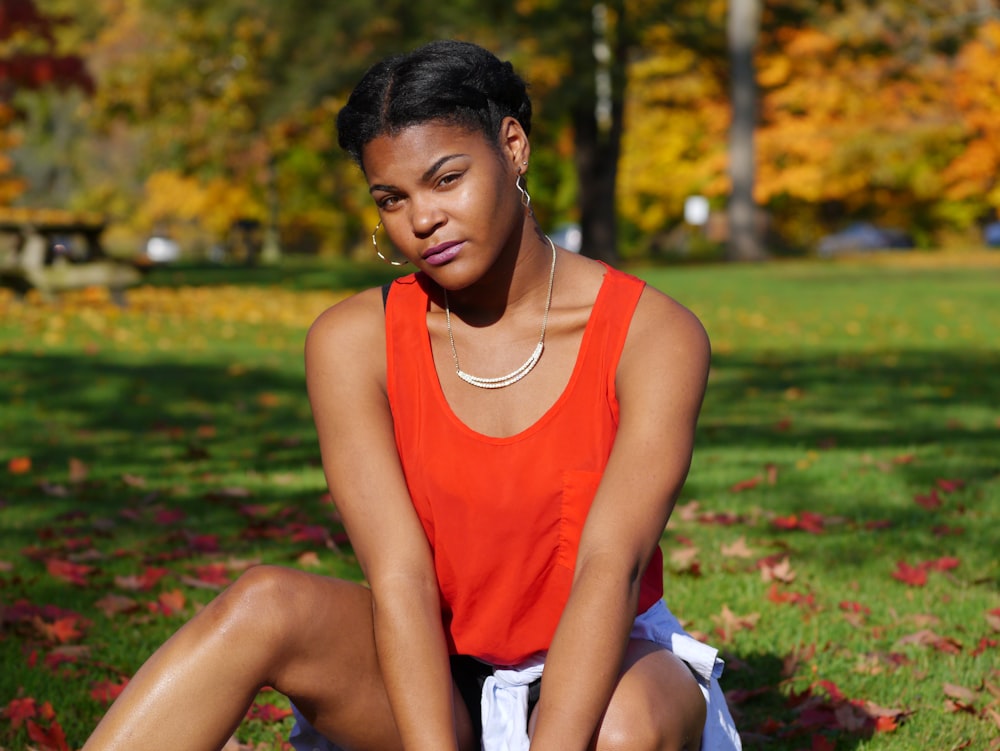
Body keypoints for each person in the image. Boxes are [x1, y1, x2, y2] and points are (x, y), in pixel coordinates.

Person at [82, 40, 741, 751]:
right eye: (391, 200)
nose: (421, 220)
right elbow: (397, 576)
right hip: (429, 668)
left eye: (446, 179)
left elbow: (608, 567)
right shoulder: (352, 343)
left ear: (513, 147)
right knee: (264, 603)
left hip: (607, 669)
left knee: (626, 728)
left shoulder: (653, 334)